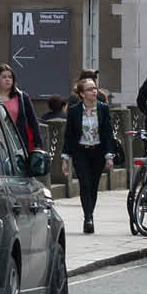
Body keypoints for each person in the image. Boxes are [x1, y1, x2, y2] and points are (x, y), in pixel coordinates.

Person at [59, 72, 116, 235]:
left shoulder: (103, 108)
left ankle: (89, 214)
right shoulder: (75, 110)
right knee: (85, 184)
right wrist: (64, 157)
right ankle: (88, 218)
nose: (94, 91)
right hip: (80, 152)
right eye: (90, 89)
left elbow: (107, 132)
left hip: (98, 151)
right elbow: (69, 134)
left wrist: (109, 155)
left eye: (95, 88)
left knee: (93, 186)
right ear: (82, 94)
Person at [0, 61, 42, 153]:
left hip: (19, 144)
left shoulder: (22, 97)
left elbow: (33, 121)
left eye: (10, 77)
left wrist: (38, 145)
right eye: (4, 77)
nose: (7, 79)